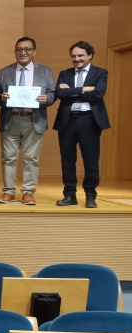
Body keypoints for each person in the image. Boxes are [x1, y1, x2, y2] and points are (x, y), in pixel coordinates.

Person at [0, 36, 55, 206]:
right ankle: (8, 191)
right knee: (8, 158)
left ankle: (28, 192)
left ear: (34, 51)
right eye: (19, 49)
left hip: (34, 120)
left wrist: (47, 98)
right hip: (10, 119)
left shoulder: (46, 71)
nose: (23, 52)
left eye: (27, 49)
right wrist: (2, 97)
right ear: (15, 52)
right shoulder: (4, 71)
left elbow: (52, 94)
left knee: (31, 158)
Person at [54, 41, 110, 209]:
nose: (76, 59)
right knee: (67, 160)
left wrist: (70, 91)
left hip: (89, 120)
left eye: (80, 55)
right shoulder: (65, 73)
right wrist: (84, 90)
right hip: (67, 120)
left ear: (90, 55)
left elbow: (98, 93)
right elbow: (59, 93)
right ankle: (69, 194)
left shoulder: (100, 72)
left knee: (91, 159)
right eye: (73, 56)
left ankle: (90, 195)